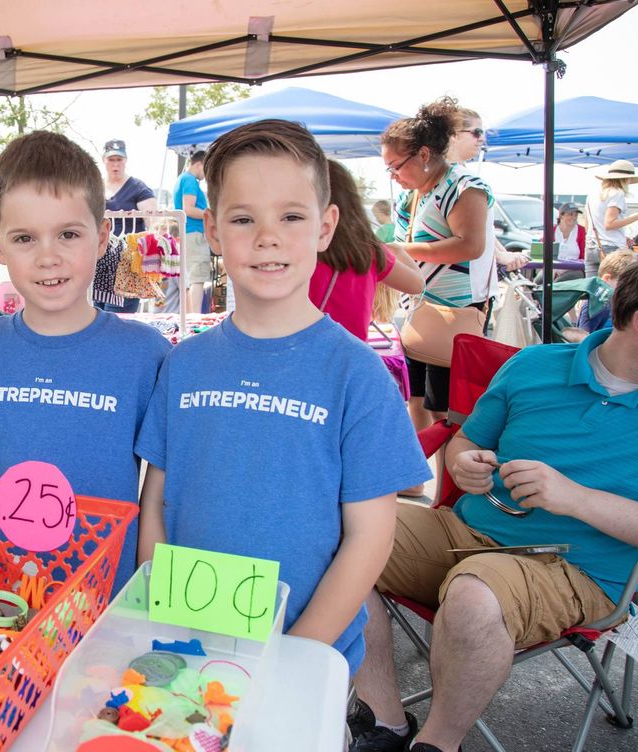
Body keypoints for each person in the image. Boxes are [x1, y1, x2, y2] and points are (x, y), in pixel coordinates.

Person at [135, 120, 429, 675]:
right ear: (215, 233)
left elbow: (370, 536)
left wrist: (297, 653)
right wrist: (159, 620)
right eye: (244, 219)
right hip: (183, 645)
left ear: (326, 226)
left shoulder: (358, 375)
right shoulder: (184, 366)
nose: (267, 237)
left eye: (291, 217)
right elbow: (156, 502)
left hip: (301, 656)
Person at [351, 250, 638, 752]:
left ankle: (438, 744)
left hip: (572, 569)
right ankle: (385, 723)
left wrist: (576, 498)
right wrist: (462, 464)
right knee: (337, 534)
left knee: (474, 594)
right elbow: (466, 441)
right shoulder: (534, 365)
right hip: (465, 534)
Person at [0, 131, 170, 594]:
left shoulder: (146, 355)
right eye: (25, 238)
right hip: (0, 598)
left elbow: (160, 495)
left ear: (103, 234)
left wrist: (147, 594)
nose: (49, 257)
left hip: (107, 598)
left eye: (68, 234)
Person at [384, 97, 493, 434]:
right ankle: (419, 481)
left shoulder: (465, 187)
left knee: (445, 413)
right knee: (415, 399)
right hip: (419, 311)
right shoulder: (411, 196)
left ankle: (449, 482)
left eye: (397, 165)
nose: (393, 175)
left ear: (424, 155)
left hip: (454, 314)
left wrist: (401, 249)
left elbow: (470, 245)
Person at [311, 160, 423, 339]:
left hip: (304, 355)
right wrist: (398, 250)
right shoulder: (369, 251)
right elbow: (416, 284)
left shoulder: (298, 252)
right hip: (352, 356)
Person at [446, 107, 530, 274]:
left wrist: (502, 253)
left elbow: (484, 229)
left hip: (471, 279)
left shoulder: (459, 175)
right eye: (476, 132)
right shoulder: (455, 178)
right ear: (454, 135)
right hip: (460, 281)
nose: (481, 139)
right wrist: (499, 255)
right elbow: (465, 234)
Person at [91, 139, 158, 314]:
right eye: (111, 159)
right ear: (104, 160)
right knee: (95, 315)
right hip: (96, 263)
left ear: (125, 161)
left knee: (119, 319)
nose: (115, 164)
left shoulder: (138, 188)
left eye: (119, 160)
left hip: (127, 264)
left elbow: (153, 219)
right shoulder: (94, 187)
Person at [584, 159, 638, 278]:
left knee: (592, 289)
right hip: (611, 248)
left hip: (591, 245)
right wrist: (637, 216)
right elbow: (609, 224)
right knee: (614, 288)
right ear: (625, 179)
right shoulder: (617, 193)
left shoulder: (594, 194)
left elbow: (588, 225)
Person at [563, 249, 636, 342]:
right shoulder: (597, 304)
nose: (631, 289)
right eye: (626, 284)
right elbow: (583, 338)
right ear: (607, 279)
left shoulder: (623, 303)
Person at [173, 150, 211, 312]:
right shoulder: (190, 180)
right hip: (194, 232)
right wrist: (212, 215)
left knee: (191, 278)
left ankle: (190, 315)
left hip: (187, 233)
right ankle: (195, 316)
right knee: (197, 278)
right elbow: (188, 208)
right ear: (199, 164)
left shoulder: (181, 179)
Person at [551, 201, 587, 282]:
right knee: (537, 282)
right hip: (552, 269)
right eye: (570, 214)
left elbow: (584, 257)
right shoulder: (551, 230)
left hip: (573, 270)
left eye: (576, 215)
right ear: (561, 216)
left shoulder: (581, 231)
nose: (574, 217)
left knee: (556, 283)